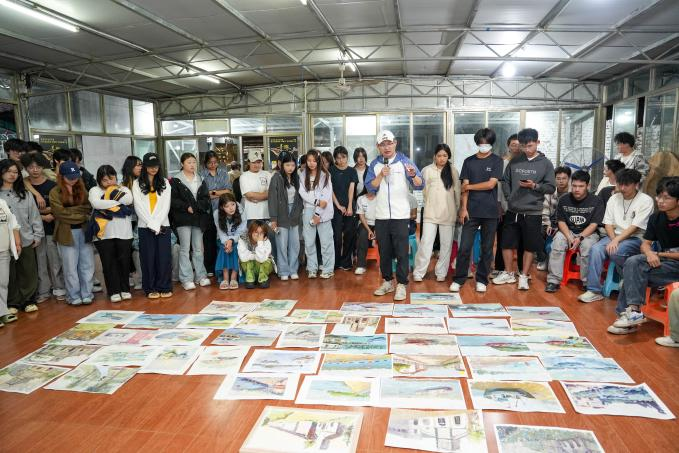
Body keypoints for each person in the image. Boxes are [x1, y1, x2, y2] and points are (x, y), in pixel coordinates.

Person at [606, 177, 679, 335]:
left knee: (632, 274)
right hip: (664, 262)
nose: (660, 201)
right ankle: (633, 313)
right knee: (633, 264)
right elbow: (645, 244)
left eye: (666, 198)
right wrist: (649, 252)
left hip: (676, 266)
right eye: (659, 196)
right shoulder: (656, 218)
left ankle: (627, 317)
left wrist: (657, 253)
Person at [493, 128, 556, 290]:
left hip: (533, 212)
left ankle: (523, 276)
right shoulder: (515, 161)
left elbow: (551, 187)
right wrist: (509, 197)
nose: (526, 149)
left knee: (529, 246)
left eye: (530, 146)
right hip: (513, 210)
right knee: (506, 243)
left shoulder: (546, 164)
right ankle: (509, 273)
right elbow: (505, 180)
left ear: (537, 143)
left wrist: (534, 186)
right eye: (523, 146)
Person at [578, 169, 653, 303]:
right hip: (614, 235)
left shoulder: (646, 200)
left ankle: (628, 276)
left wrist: (616, 241)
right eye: (620, 184)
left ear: (636, 184)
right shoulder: (613, 198)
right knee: (595, 249)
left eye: (626, 185)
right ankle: (594, 290)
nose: (622, 188)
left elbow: (635, 227)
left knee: (616, 251)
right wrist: (613, 239)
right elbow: (608, 223)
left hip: (636, 237)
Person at [365, 130, 424, 302]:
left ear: (395, 143)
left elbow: (420, 184)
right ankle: (387, 282)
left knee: (401, 252)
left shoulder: (405, 162)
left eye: (389, 143)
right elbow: (370, 188)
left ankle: (402, 284)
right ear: (378, 147)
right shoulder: (374, 164)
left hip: (400, 215)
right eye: (383, 144)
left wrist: (414, 176)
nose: (387, 147)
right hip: (381, 215)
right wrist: (380, 175)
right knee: (384, 251)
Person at [450, 130, 503, 293]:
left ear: (491, 144)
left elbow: (491, 184)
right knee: (464, 247)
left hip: (490, 211)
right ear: (477, 143)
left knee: (486, 248)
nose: (484, 146)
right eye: (481, 143)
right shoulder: (469, 161)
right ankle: (459, 279)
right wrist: (463, 208)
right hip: (471, 211)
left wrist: (470, 186)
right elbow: (464, 188)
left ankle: (481, 279)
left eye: (487, 143)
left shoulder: (497, 161)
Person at [544, 171, 604, 293]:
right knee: (558, 242)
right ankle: (553, 281)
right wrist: (569, 237)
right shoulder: (564, 199)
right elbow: (561, 221)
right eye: (574, 186)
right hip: (568, 230)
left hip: (588, 233)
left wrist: (580, 238)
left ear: (588, 186)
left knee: (588, 247)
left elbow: (594, 224)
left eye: (581, 186)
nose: (577, 189)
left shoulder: (596, 201)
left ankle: (587, 282)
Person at [21, 152, 65, 303]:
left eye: (38, 167)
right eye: (31, 167)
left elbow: (60, 206)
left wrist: (49, 212)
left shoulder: (52, 185)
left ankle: (59, 288)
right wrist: (43, 215)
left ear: (42, 167)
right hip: (34, 231)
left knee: (55, 260)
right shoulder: (23, 187)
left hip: (52, 228)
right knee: (40, 262)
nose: (35, 170)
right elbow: (24, 212)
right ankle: (43, 290)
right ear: (26, 168)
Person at [1, 159, 43, 314]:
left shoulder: (26, 194)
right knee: (9, 273)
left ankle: (29, 300)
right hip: (5, 241)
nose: (12, 175)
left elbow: (34, 216)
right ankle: (12, 302)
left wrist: (37, 235)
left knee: (28, 271)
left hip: (26, 238)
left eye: (15, 172)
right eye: (8, 171)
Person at [413, 144, 460, 282]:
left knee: (446, 245)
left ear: (448, 156)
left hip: (449, 213)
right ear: (434, 156)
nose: (442, 158)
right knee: (425, 243)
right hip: (430, 212)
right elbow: (424, 191)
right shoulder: (427, 170)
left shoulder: (453, 171)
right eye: (439, 155)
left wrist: (458, 210)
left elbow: (457, 193)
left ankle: (441, 272)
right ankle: (419, 272)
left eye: (445, 156)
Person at [50, 161, 94, 306]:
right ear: (61, 176)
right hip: (66, 233)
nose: (73, 180)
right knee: (70, 266)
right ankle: (73, 296)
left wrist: (71, 211)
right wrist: (79, 213)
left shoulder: (82, 189)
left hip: (84, 231)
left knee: (87, 264)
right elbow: (59, 213)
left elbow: (88, 208)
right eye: (70, 177)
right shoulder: (55, 192)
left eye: (75, 177)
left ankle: (87, 294)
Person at [88, 165, 134, 302]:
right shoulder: (94, 190)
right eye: (105, 180)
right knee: (109, 263)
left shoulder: (124, 189)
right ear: (99, 180)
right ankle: (113, 291)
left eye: (111, 178)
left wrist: (106, 201)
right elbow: (96, 204)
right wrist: (118, 202)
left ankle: (125, 289)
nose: (109, 182)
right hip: (104, 234)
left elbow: (128, 200)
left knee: (124, 262)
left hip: (124, 233)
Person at [133, 153, 173, 299]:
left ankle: (164, 286)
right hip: (145, 226)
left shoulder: (165, 182)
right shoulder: (137, 183)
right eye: (150, 166)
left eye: (156, 166)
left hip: (163, 225)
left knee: (164, 257)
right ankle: (150, 288)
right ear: (144, 166)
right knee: (148, 258)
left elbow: (166, 206)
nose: (153, 169)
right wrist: (151, 223)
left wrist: (157, 223)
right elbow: (138, 206)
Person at [170, 153, 212, 291]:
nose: (192, 165)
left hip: (198, 217)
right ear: (182, 164)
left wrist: (196, 207)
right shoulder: (176, 180)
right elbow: (173, 200)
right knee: (185, 248)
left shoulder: (200, 178)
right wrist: (186, 207)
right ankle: (186, 278)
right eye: (189, 162)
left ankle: (201, 276)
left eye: (194, 162)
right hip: (183, 219)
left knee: (198, 248)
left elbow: (206, 198)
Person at [299, 149, 335, 279]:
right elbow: (302, 193)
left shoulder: (326, 175)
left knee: (326, 242)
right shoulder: (303, 174)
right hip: (308, 210)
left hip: (323, 211)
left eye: (314, 160)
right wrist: (315, 201)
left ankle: (328, 269)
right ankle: (312, 268)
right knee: (309, 242)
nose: (311, 163)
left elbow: (325, 199)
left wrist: (318, 213)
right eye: (309, 160)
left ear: (319, 161)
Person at [268, 151, 303, 281]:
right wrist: (273, 219)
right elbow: (272, 199)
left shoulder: (297, 178)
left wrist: (298, 211)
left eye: (293, 165)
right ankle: (283, 271)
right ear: (281, 165)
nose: (290, 168)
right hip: (281, 213)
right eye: (287, 165)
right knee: (282, 244)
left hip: (294, 213)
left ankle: (293, 269)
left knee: (295, 244)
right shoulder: (276, 178)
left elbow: (301, 197)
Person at [493, 134, 522, 278]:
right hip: (505, 208)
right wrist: (499, 204)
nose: (516, 148)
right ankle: (499, 267)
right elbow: (499, 186)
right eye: (513, 145)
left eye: (518, 145)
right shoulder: (503, 163)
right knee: (502, 238)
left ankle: (521, 270)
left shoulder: (525, 163)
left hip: (522, 208)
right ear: (508, 146)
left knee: (522, 240)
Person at [200, 151, 232, 277]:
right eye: (210, 163)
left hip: (222, 210)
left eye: (215, 162)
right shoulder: (201, 175)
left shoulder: (223, 173)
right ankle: (210, 267)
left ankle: (223, 266)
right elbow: (203, 194)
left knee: (222, 237)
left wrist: (212, 193)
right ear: (205, 163)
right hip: (207, 211)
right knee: (209, 240)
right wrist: (219, 192)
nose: (213, 165)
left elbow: (228, 191)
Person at [330, 146, 358, 271]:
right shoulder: (331, 171)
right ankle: (336, 262)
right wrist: (338, 206)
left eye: (343, 157)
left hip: (349, 207)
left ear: (347, 157)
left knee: (349, 234)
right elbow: (330, 190)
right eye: (338, 158)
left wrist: (350, 206)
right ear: (335, 159)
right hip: (335, 207)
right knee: (336, 236)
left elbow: (351, 189)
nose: (341, 160)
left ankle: (346, 262)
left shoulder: (352, 171)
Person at [537, 166, 571, 271]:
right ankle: (543, 259)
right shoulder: (550, 192)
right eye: (558, 178)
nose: (561, 181)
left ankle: (568, 260)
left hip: (567, 223)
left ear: (569, 179)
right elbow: (545, 211)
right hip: (551, 221)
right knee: (538, 231)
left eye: (564, 178)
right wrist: (547, 225)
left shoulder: (573, 193)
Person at [215, 193, 246, 290]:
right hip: (223, 239)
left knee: (237, 247)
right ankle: (225, 278)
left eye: (233, 204)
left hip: (239, 238)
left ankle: (233, 277)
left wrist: (232, 240)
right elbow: (221, 233)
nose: (231, 208)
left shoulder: (241, 210)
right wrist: (228, 242)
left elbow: (241, 231)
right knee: (224, 248)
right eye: (227, 206)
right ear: (222, 207)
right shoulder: (217, 214)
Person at [121, 156, 143, 290]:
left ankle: (141, 277)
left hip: (141, 219)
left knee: (138, 249)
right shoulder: (123, 185)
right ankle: (130, 275)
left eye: (141, 165)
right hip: (127, 220)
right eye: (137, 165)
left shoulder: (142, 182)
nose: (140, 167)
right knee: (128, 249)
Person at [0, 197, 20, 327]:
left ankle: (3, 312)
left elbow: (13, 223)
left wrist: (17, 243)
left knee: (3, 282)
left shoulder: (2, 202)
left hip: (4, 249)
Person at [238, 220, 274, 289]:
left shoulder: (266, 241)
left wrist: (260, 242)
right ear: (251, 232)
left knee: (267, 260)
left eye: (261, 233)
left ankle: (263, 279)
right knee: (244, 261)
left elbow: (261, 259)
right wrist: (255, 255)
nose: (258, 235)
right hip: (249, 269)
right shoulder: (242, 239)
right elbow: (243, 257)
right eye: (256, 232)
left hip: (263, 268)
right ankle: (250, 280)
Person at [354, 189, 377, 275]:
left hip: (378, 223)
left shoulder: (380, 197)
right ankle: (361, 266)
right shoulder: (361, 199)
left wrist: (376, 232)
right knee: (363, 235)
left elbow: (381, 215)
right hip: (365, 224)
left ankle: (385, 265)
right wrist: (369, 230)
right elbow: (361, 216)